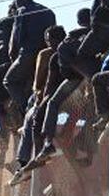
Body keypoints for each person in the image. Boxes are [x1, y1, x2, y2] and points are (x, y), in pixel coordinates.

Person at [34, 9, 95, 162]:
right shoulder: (98, 34)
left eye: (50, 40)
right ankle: (77, 146)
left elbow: (70, 65)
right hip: (93, 75)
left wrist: (86, 78)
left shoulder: (69, 42)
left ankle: (48, 143)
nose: (49, 44)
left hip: (79, 79)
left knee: (53, 103)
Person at [10, 25, 67, 184]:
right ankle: (24, 163)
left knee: (32, 118)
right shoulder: (52, 53)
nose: (49, 43)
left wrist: (40, 98)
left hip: (56, 96)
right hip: (52, 95)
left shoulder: (53, 55)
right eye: (48, 41)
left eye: (50, 40)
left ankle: (30, 159)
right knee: (30, 116)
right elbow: (40, 84)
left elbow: (44, 84)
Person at [4, 0, 56, 114]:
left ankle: (25, 110)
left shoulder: (22, 11)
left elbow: (17, 37)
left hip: (29, 53)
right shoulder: (48, 10)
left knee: (9, 80)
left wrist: (14, 58)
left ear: (18, 4)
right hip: (48, 51)